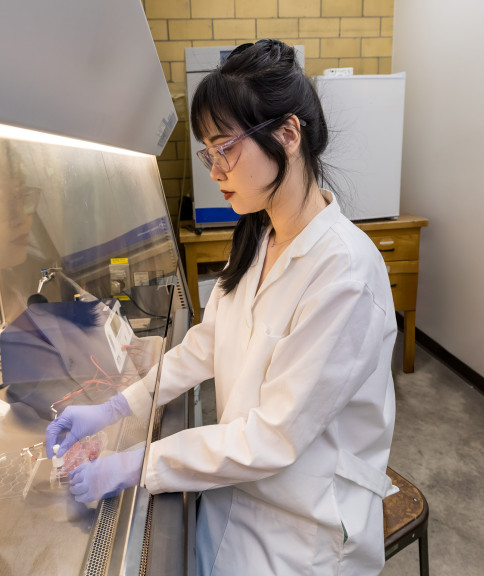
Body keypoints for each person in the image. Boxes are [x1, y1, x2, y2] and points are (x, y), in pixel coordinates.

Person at [45, 39, 397, 575]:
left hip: (305, 529)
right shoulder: (259, 235)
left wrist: (137, 462)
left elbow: (271, 438)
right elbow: (211, 342)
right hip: (240, 495)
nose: (214, 168)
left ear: (288, 134)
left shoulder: (344, 271)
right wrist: (119, 407)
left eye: (223, 147)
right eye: (207, 153)